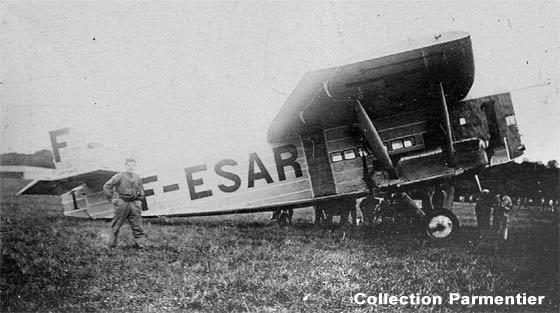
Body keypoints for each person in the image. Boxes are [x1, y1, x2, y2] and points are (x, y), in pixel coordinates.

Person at [103, 158, 146, 249]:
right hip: (123, 202)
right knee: (116, 225)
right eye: (129, 165)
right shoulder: (119, 176)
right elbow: (107, 185)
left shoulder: (137, 177)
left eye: (133, 165)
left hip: (134, 204)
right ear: (125, 165)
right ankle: (111, 245)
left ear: (135, 166)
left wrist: (139, 198)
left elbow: (141, 189)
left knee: (137, 224)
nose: (131, 167)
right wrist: (111, 198)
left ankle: (140, 244)